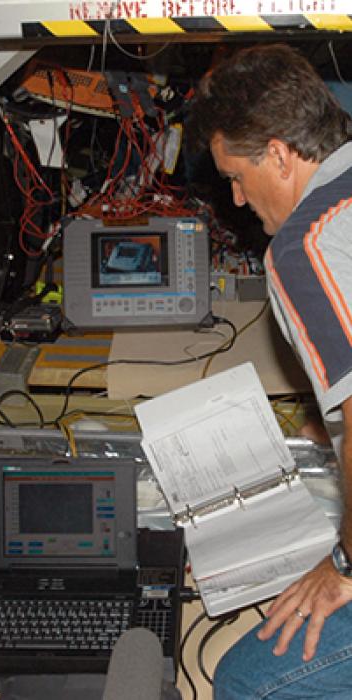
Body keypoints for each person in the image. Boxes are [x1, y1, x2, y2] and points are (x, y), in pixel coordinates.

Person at [187, 43, 352, 698]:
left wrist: (345, 565)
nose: (234, 197)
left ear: (280, 154)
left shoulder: (303, 246)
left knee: (248, 680)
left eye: (235, 174)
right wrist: (330, 419)